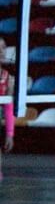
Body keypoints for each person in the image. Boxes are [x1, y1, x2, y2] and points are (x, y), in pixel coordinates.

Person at [0, 38, 13, 182]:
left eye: (3, 48)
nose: (1, 51)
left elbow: (8, 108)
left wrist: (10, 134)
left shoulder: (8, 78)